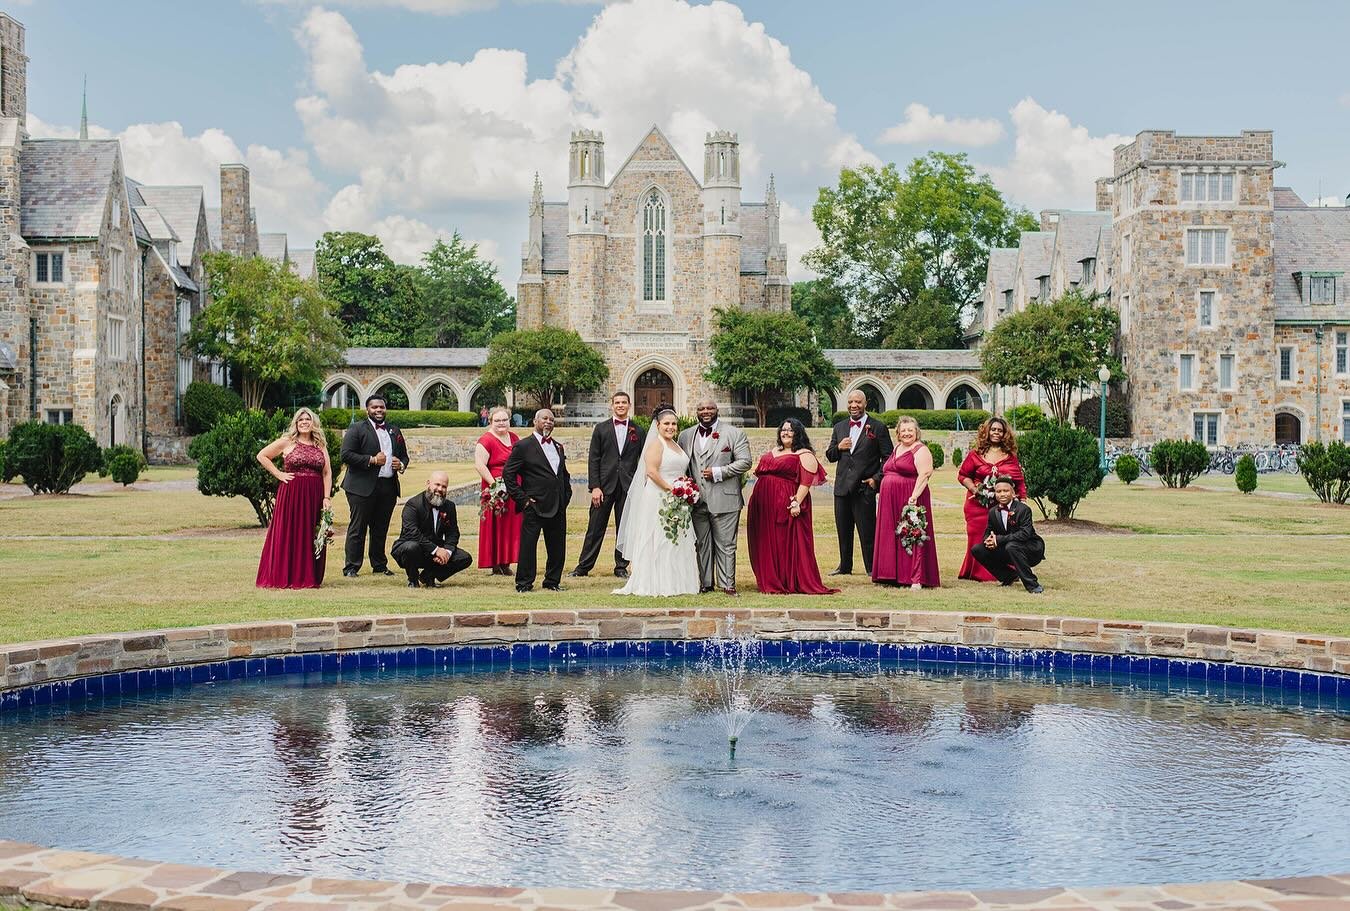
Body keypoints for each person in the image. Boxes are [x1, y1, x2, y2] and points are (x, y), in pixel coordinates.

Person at [613, 407, 700, 597]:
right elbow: (651, 472)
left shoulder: (676, 445)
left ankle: (679, 582)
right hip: (659, 497)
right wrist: (673, 489)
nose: (670, 427)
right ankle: (657, 582)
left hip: (677, 498)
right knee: (659, 539)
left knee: (676, 538)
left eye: (674, 423)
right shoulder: (655, 445)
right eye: (666, 423)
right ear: (658, 425)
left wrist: (685, 489)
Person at [747, 418, 839, 595]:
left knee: (784, 541)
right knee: (766, 539)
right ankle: (770, 577)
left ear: (798, 433)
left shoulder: (804, 454)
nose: (786, 433)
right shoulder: (774, 451)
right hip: (763, 504)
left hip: (787, 503)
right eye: (783, 429)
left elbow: (805, 482)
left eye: (790, 430)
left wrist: (796, 502)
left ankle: (786, 580)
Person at [677, 399, 752, 594]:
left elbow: (745, 462)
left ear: (717, 410)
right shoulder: (685, 436)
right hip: (696, 501)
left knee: (726, 544)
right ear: (696, 411)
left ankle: (728, 584)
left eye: (710, 408)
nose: (705, 411)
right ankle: (706, 583)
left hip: (725, 499)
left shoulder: (734, 434)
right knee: (701, 543)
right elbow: (681, 465)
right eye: (701, 408)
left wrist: (719, 472)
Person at [571, 391, 646, 579]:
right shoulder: (601, 429)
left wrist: (640, 486)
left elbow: (644, 460)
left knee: (625, 529)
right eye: (617, 402)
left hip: (628, 487)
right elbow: (593, 459)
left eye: (624, 402)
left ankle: (621, 566)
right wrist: (595, 486)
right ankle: (583, 567)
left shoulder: (638, 430)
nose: (620, 405)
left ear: (629, 405)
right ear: (611, 405)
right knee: (595, 527)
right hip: (604, 487)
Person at [255, 408, 332, 589]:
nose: (305, 422)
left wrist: (326, 497)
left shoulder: (320, 444)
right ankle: (285, 574)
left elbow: (327, 472)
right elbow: (262, 455)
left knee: (309, 532)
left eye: (308, 419)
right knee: (289, 531)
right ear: (296, 423)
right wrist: (279, 474)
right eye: (301, 420)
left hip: (314, 494)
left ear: (313, 423)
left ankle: (307, 575)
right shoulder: (287, 441)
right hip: (292, 493)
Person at [339, 395, 409, 577]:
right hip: (361, 486)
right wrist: (371, 459)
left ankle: (379, 564)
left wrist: (400, 465)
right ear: (367, 410)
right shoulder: (357, 428)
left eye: (382, 407)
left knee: (380, 528)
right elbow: (346, 454)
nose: (379, 410)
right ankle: (352, 567)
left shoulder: (394, 430)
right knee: (358, 527)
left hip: (388, 486)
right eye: (375, 407)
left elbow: (404, 456)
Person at [825, 391, 893, 576]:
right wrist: (839, 447)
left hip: (864, 488)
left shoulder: (878, 428)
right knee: (843, 531)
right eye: (850, 402)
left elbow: (888, 457)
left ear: (866, 403)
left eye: (858, 402)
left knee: (867, 531)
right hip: (842, 488)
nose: (854, 405)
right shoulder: (839, 427)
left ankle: (872, 568)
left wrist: (876, 479)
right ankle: (844, 566)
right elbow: (830, 455)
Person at [503, 408, 571, 593]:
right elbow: (508, 474)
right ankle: (524, 583)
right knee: (528, 546)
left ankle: (552, 581)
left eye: (551, 419)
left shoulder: (558, 446)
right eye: (544, 419)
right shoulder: (523, 446)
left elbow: (563, 474)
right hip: (534, 505)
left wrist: (566, 496)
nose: (548, 422)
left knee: (557, 546)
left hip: (557, 505)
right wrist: (523, 499)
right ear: (535, 421)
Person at [873, 416, 940, 590]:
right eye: (903, 430)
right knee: (893, 534)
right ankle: (892, 574)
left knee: (911, 534)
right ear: (898, 433)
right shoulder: (897, 448)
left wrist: (914, 496)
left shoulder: (921, 450)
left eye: (910, 430)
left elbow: (925, 474)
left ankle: (914, 577)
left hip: (909, 497)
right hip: (890, 501)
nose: (906, 433)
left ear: (916, 431)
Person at [956, 418, 1027, 582]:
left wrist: (1022, 501)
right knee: (977, 536)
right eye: (993, 429)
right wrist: (975, 490)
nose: (996, 433)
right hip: (977, 506)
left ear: (1004, 434)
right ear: (987, 432)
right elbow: (963, 475)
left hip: (1001, 507)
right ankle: (975, 572)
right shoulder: (975, 454)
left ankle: (1002, 570)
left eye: (1000, 430)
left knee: (1000, 536)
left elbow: (1019, 481)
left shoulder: (1010, 457)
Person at [391, 471, 473, 588]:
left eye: (444, 486)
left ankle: (427, 576)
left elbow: (453, 533)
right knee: (411, 547)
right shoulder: (413, 504)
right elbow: (412, 533)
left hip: (435, 549)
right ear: (428, 484)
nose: (440, 489)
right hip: (412, 547)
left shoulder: (449, 506)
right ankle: (413, 580)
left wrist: (447, 553)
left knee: (464, 558)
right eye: (437, 484)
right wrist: (436, 550)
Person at [970, 476, 1045, 593]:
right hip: (1009, 547)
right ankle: (1009, 576)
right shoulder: (993, 512)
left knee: (1012, 546)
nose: (1002, 494)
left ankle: (1033, 585)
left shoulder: (1023, 509)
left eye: (1006, 491)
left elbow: (1025, 534)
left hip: (1031, 549)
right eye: (999, 491)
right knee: (977, 549)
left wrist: (999, 540)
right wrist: (989, 541)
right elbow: (988, 531)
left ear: (1013, 493)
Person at [473, 406, 521, 575]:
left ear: (509, 421)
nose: (501, 423)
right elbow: (480, 465)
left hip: (513, 487)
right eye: (497, 420)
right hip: (494, 486)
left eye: (504, 420)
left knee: (510, 525)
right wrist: (495, 485)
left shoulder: (514, 437)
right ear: (491, 421)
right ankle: (495, 564)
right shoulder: (486, 440)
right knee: (496, 524)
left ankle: (506, 562)